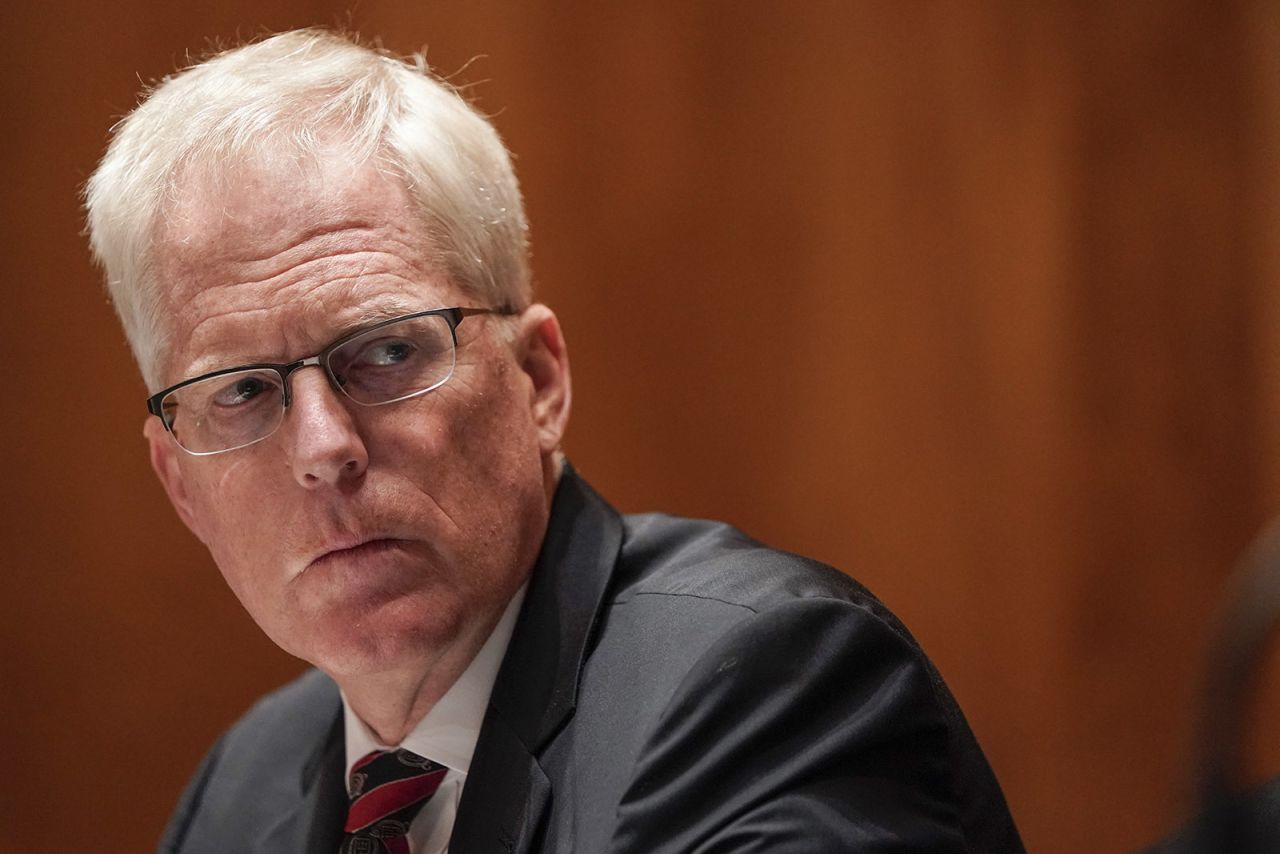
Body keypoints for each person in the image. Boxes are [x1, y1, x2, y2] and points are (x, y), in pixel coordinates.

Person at [85, 28, 1025, 854]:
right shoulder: (240, 791)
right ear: (179, 484)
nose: (323, 446)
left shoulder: (764, 687)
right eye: (243, 389)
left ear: (538, 379)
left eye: (384, 351)